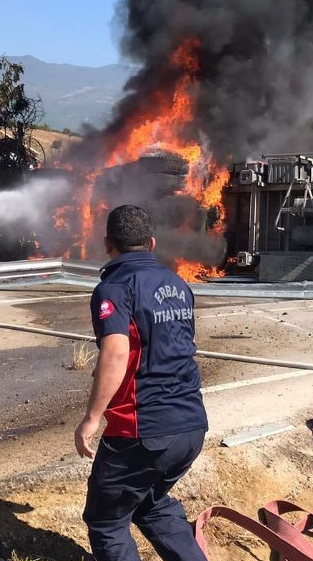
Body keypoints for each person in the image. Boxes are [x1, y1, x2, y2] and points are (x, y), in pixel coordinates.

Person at [76, 205, 208, 561]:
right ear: (151, 243)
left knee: (107, 521)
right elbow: (164, 347)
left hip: (143, 431)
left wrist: (91, 419)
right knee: (151, 504)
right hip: (191, 426)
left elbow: (117, 352)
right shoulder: (178, 284)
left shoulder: (114, 288)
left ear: (108, 244)